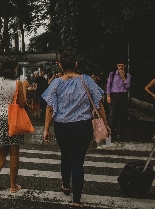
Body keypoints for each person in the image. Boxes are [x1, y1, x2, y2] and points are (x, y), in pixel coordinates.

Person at [43, 52, 110, 208]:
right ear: (76, 64)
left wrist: (46, 129)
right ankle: (77, 200)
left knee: (65, 155)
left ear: (60, 65)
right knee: (77, 161)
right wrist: (105, 124)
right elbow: (99, 104)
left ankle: (66, 185)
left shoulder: (56, 83)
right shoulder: (87, 81)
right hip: (82, 126)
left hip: (62, 126)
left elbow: (49, 108)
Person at [0, 57, 26, 196]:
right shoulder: (17, 83)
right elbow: (22, 103)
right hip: (12, 118)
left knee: (0, 151)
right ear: (13, 68)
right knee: (14, 153)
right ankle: (13, 185)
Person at [106, 59, 131, 140]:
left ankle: (121, 134)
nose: (120, 67)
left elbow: (127, 86)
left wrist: (123, 77)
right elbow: (108, 85)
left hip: (123, 95)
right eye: (119, 65)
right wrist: (108, 95)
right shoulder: (112, 74)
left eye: (122, 66)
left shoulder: (127, 75)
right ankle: (111, 134)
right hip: (114, 95)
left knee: (122, 115)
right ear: (117, 66)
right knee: (113, 115)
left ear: (125, 66)